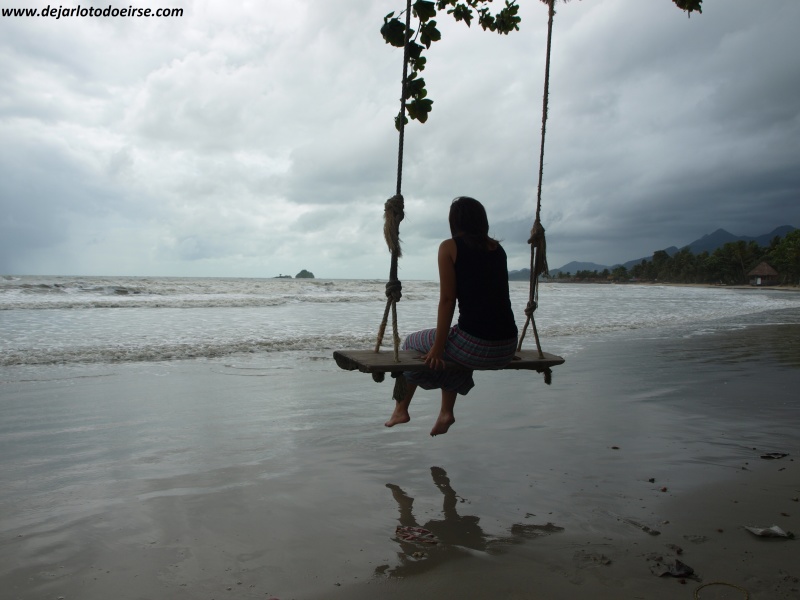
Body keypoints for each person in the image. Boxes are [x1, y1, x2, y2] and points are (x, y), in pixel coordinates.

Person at [384, 196, 518, 436]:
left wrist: (436, 347)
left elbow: (447, 300)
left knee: (412, 344)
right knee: (455, 346)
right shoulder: (498, 249)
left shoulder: (449, 247)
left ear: (454, 221)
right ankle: (446, 412)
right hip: (507, 347)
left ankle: (401, 408)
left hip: (477, 347)